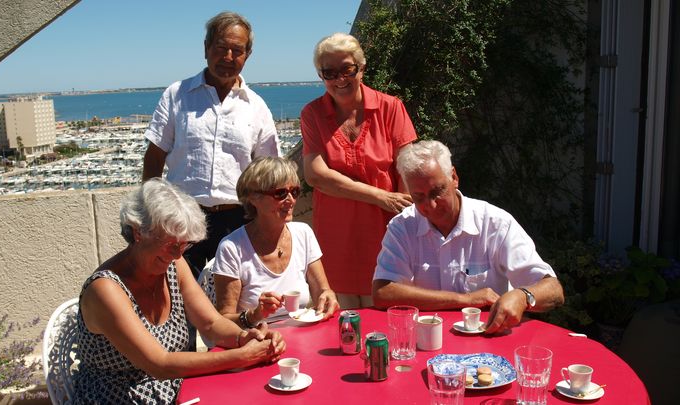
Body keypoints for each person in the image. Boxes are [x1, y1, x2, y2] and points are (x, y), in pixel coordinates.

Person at [73, 178, 285, 404]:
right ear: (138, 232)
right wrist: (241, 356)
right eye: (170, 244)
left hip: (181, 391)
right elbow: (159, 364)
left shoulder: (173, 264)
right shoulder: (105, 290)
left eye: (184, 245)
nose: (177, 254)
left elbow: (211, 323)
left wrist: (244, 337)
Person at [372, 140, 565, 334]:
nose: (430, 205)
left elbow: (553, 290)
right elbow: (382, 293)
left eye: (437, 192)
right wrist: (466, 299)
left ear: (454, 177)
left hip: (488, 345)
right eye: (418, 197)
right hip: (426, 343)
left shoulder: (496, 223)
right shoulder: (403, 226)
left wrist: (523, 297)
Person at [142, 11, 280, 277]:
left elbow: (268, 170)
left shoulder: (257, 106)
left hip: (237, 221)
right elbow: (155, 155)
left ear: (247, 55)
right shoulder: (176, 95)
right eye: (221, 48)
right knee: (177, 298)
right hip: (182, 218)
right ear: (206, 49)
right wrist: (149, 213)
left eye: (237, 50)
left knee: (230, 300)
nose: (228, 57)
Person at [300, 33, 417, 308]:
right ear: (321, 76)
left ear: (361, 68)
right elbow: (316, 175)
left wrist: (407, 228)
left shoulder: (390, 108)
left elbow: (409, 169)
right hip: (337, 239)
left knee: (388, 322)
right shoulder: (313, 114)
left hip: (387, 237)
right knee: (346, 328)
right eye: (329, 72)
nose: (339, 79)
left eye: (347, 69)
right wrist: (381, 197)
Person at [212, 157, 339, 327]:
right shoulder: (232, 248)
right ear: (253, 198)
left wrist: (328, 296)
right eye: (280, 193)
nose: (291, 200)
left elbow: (322, 291)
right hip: (257, 341)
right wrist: (254, 315)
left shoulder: (303, 233)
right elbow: (222, 321)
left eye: (294, 192)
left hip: (302, 337)